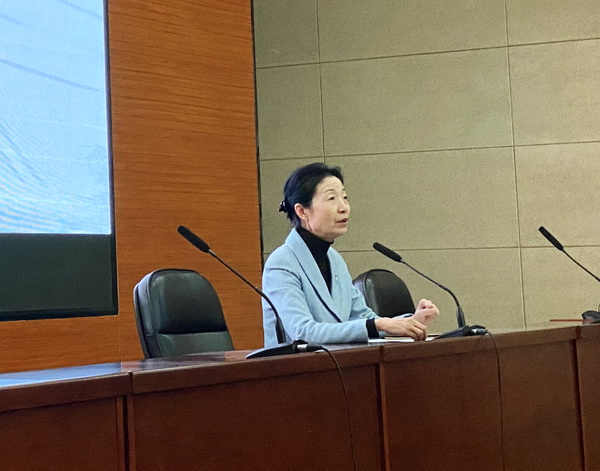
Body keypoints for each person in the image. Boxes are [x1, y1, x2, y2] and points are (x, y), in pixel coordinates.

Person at [261, 162, 439, 347]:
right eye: (331, 199)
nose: (344, 207)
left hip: (339, 361)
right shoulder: (281, 263)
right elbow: (302, 332)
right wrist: (378, 324)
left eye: (344, 197)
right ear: (302, 211)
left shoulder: (334, 259)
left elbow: (363, 318)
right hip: (297, 364)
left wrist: (411, 321)